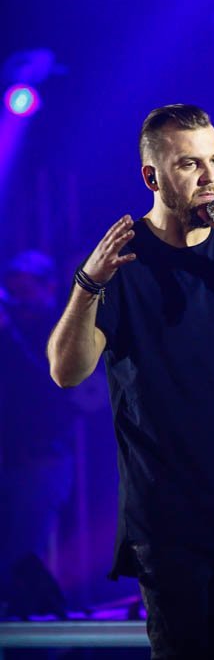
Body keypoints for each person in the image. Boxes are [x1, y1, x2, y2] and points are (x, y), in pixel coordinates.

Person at [47, 104, 214, 658]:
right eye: (190, 164)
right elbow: (66, 372)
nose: (209, 177)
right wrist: (87, 284)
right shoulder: (121, 259)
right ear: (153, 177)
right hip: (166, 510)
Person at [0, 251, 73, 618]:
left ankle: (37, 626)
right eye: (13, 290)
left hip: (41, 459)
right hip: (9, 456)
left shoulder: (60, 326)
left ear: (48, 288)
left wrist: (9, 335)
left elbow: (51, 387)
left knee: (23, 550)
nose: (19, 299)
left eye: (26, 290)